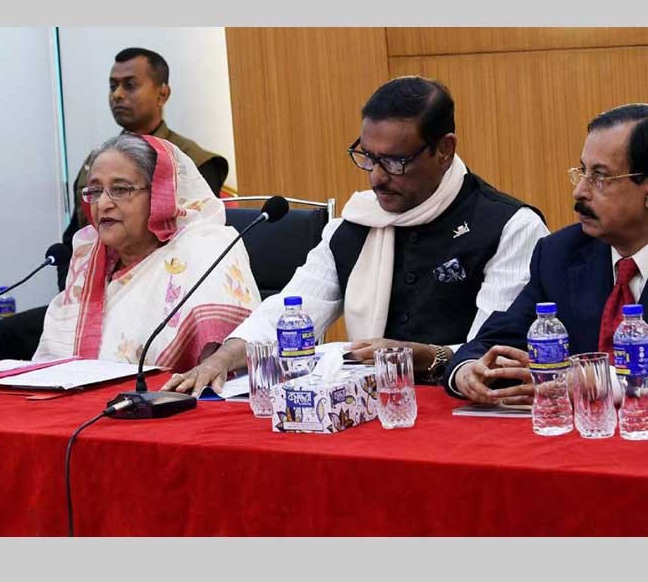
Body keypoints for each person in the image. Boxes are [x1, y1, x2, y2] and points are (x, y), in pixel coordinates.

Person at [164, 75, 549, 397]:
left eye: (395, 161)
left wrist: (425, 356)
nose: (376, 177)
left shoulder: (510, 226)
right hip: (367, 406)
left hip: (465, 411)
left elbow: (494, 350)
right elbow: (292, 311)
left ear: (445, 149)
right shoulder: (355, 223)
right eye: (368, 156)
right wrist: (224, 357)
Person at [0, 47, 229, 362]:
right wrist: (79, 302)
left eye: (130, 85)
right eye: (113, 86)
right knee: (3, 334)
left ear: (162, 93)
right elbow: (73, 241)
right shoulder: (98, 163)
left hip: (162, 296)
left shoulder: (190, 162)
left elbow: (191, 243)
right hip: (98, 292)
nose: (117, 94)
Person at [446, 104, 648, 405]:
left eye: (600, 176)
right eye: (582, 172)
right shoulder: (560, 253)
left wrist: (595, 381)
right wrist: (468, 370)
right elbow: (498, 339)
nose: (579, 191)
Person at [32, 133, 258, 370]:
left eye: (121, 189)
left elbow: (239, 351)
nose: (103, 204)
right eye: (95, 191)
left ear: (161, 195)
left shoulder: (204, 247)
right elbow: (55, 366)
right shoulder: (88, 259)